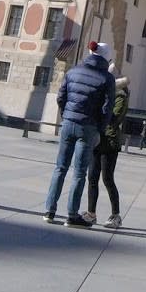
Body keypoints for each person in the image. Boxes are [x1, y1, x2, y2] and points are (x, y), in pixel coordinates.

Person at [44, 41, 116, 227]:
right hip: (88, 127)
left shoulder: (73, 71)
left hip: (68, 123)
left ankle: (49, 211)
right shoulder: (106, 78)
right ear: (106, 58)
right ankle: (72, 215)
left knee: (60, 167)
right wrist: (100, 129)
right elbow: (107, 109)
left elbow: (61, 97)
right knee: (79, 172)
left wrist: (66, 115)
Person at [85, 65, 130, 228]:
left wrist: (102, 103)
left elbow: (114, 117)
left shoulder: (120, 96)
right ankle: (91, 213)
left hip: (110, 141)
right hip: (97, 138)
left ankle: (116, 215)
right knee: (92, 177)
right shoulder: (104, 93)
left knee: (107, 178)